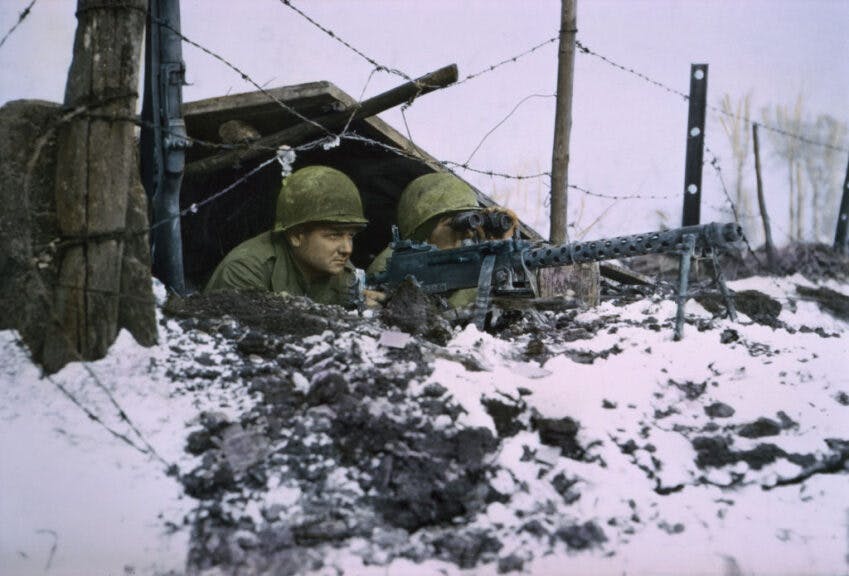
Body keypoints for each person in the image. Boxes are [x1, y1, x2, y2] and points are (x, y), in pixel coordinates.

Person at [206, 165, 383, 308]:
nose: (347, 249)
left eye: (350, 236)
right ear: (296, 236)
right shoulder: (244, 271)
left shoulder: (340, 271)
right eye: (334, 236)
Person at [366, 172, 517, 307]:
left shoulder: (468, 265)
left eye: (471, 225)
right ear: (423, 232)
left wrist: (499, 245)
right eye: (455, 225)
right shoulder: (391, 267)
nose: (469, 235)